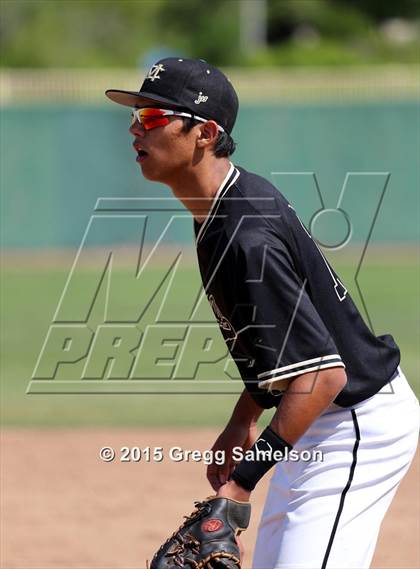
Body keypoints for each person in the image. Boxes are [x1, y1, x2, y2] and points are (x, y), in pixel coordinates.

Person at [106, 58, 419, 569]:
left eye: (153, 119)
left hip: (353, 424)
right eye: (136, 116)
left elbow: (323, 376)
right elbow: (275, 342)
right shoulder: (223, 206)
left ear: (204, 133)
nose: (135, 129)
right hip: (314, 421)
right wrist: (243, 418)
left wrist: (238, 487)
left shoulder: (244, 234)